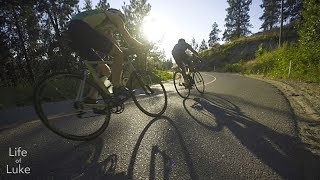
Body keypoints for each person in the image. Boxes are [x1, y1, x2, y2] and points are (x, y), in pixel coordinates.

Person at [66, 8, 144, 103]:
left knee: (105, 70)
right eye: (122, 23)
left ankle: (91, 98)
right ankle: (117, 87)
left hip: (74, 32)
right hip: (80, 27)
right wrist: (142, 46)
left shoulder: (102, 26)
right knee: (118, 55)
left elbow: (116, 46)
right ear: (120, 17)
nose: (115, 28)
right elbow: (125, 34)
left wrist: (127, 51)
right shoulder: (115, 16)